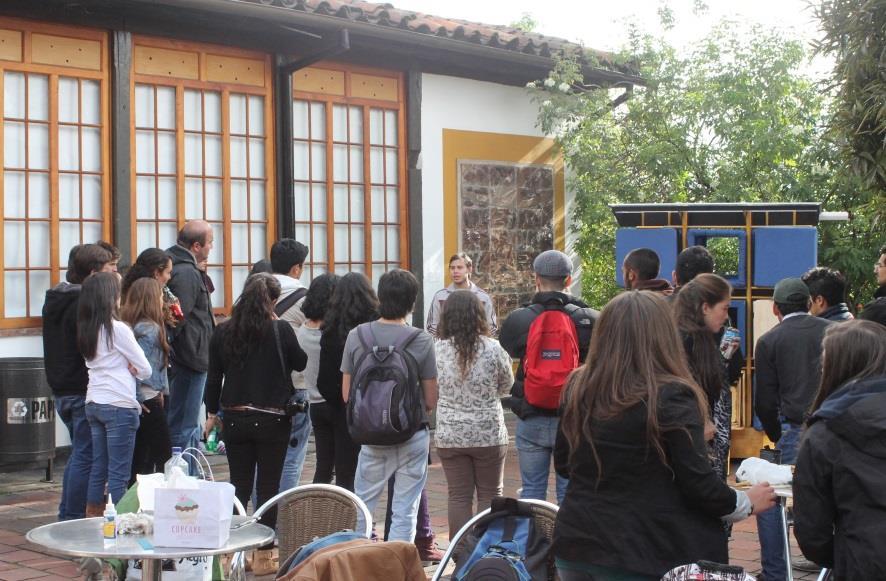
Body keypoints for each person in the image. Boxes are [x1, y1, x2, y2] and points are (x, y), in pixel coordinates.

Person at [553, 291, 775, 579]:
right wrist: (745, 502)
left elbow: (565, 464)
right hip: (645, 551)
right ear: (664, 335)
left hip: (577, 544)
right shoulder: (671, 394)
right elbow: (698, 484)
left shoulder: (579, 386)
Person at [203, 273, 307, 576]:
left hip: (235, 417)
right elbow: (300, 362)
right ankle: (263, 554)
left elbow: (214, 378)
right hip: (273, 417)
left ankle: (230, 550)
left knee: (239, 484)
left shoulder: (224, 331)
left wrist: (212, 413)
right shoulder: (280, 329)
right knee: (269, 486)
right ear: (272, 301)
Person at [342, 269, 438, 542]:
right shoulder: (420, 339)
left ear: (380, 297)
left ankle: (359, 558)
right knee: (405, 511)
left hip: (370, 437)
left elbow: (347, 395)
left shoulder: (357, 335)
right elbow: (430, 400)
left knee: (362, 506)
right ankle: (396, 561)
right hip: (411, 435)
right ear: (412, 303)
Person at [500, 250, 597, 504]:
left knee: (532, 491)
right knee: (570, 493)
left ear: (536, 279)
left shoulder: (519, 320)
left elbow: (509, 348)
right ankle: (566, 531)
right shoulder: (590, 319)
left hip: (531, 413)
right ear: (568, 279)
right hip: (573, 417)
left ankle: (535, 530)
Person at [753, 277, 832, 580]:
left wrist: (777, 433)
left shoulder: (769, 341)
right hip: (832, 427)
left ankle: (775, 572)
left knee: (772, 497)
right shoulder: (833, 331)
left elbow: (764, 401)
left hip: (792, 429)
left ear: (775, 308)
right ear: (810, 303)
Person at [793, 321, 886, 580]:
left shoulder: (825, 433)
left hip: (864, 562)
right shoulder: (825, 432)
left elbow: (812, 532)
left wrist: (844, 554)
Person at [434, 290, 514, 545]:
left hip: (450, 432)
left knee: (458, 496)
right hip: (488, 431)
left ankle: (459, 553)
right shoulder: (493, 348)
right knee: (491, 494)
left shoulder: (438, 350)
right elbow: (507, 385)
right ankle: (486, 551)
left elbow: (433, 388)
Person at [43, 244, 113, 520]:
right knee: (86, 455)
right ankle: (71, 516)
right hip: (81, 387)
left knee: (80, 453)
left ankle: (69, 512)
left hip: (61, 388)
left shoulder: (55, 298)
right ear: (93, 273)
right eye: (107, 270)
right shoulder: (82, 303)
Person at [78, 272, 152, 514]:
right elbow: (146, 369)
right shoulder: (118, 329)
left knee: (98, 467)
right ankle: (120, 522)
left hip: (94, 401)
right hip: (119, 403)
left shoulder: (87, 329)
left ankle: (93, 518)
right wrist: (133, 369)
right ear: (109, 298)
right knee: (119, 473)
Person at [315, 272, 378, 491]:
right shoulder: (375, 327)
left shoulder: (330, 330)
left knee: (345, 471)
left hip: (343, 410)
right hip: (376, 407)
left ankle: (346, 511)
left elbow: (324, 381)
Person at [673, 274, 736, 480]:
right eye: (724, 308)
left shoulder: (701, 339)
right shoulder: (686, 342)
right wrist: (698, 425)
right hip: (693, 446)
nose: (726, 316)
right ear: (705, 307)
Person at [165, 220, 215, 458]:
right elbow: (177, 318)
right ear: (196, 246)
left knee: (187, 422)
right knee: (184, 424)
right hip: (189, 358)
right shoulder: (185, 273)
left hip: (190, 355)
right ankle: (182, 473)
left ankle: (186, 470)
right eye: (210, 242)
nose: (211, 247)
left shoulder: (181, 267)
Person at [270, 239, 312, 492]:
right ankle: (284, 510)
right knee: (291, 458)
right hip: (295, 385)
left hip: (256, 389)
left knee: (262, 458)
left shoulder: (249, 295)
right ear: (296, 268)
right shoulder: (305, 298)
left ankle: (262, 511)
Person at [121, 278, 173, 483]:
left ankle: (136, 495)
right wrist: (140, 397)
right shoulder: (150, 329)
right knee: (163, 454)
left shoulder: (131, 327)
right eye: (160, 296)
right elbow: (136, 367)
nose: (162, 301)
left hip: (144, 395)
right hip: (147, 398)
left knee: (140, 455)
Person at [297, 274, 339, 483]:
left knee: (323, 464)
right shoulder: (333, 333)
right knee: (344, 464)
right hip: (336, 403)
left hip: (314, 402)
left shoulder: (303, 330)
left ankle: (318, 501)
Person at [426, 252, 497, 337]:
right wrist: (446, 342)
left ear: (469, 269)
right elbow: (431, 326)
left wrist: (476, 342)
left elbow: (492, 327)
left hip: (476, 344)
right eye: (452, 268)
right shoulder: (440, 296)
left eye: (459, 267)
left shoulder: (483, 297)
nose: (455, 271)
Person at [121, 248, 181, 327]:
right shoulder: (144, 301)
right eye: (168, 272)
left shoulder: (128, 292)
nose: (169, 277)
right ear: (156, 273)